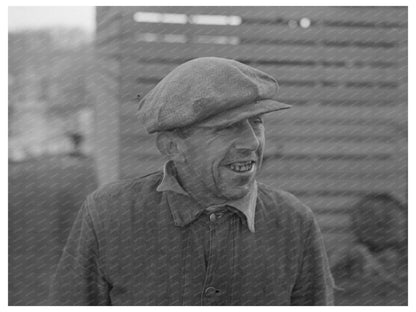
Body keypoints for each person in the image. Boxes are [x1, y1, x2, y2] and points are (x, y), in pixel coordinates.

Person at [49, 57, 334, 305]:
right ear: (172, 147)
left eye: (257, 121)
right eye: (227, 127)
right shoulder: (108, 215)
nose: (252, 141)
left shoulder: (294, 222)